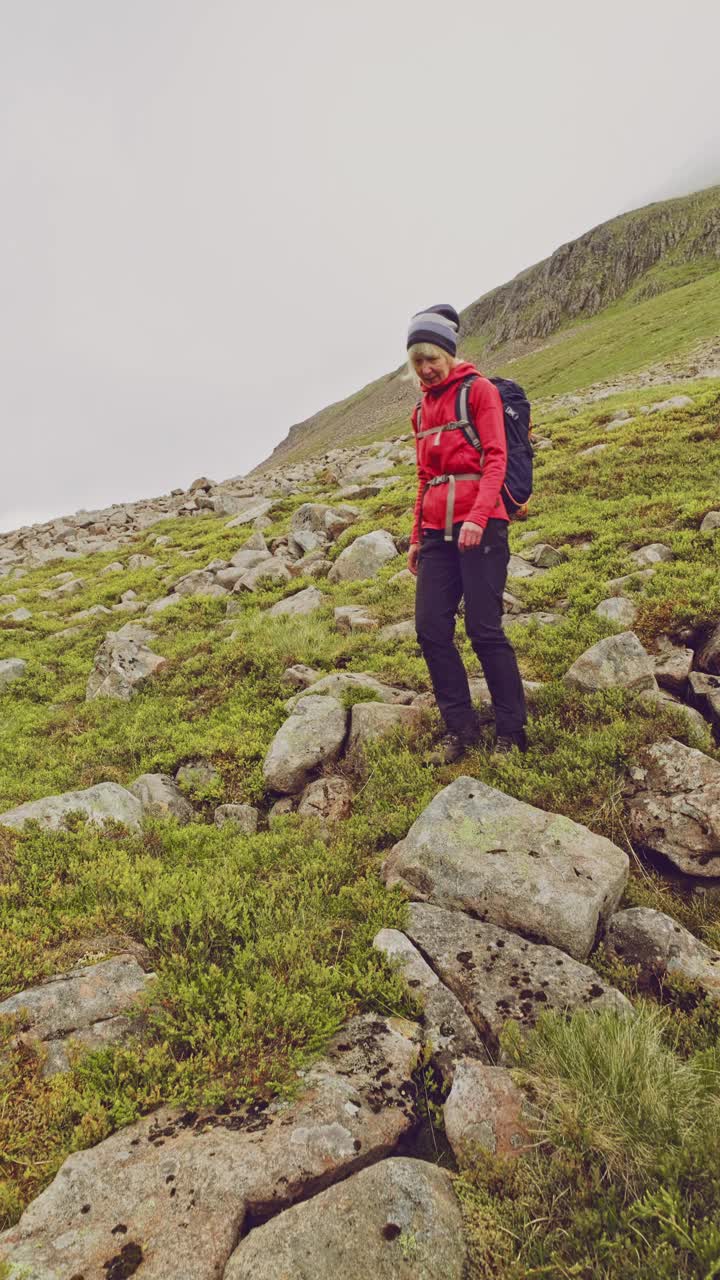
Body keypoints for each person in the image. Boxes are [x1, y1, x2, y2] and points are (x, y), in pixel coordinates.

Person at [406, 303, 527, 763]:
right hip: (437, 533)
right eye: (417, 360)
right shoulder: (420, 411)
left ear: (449, 353)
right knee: (430, 629)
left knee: (484, 630)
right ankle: (461, 730)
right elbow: (423, 477)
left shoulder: (478, 392)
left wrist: (477, 517)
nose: (426, 368)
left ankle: (511, 734)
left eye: (432, 357)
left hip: (483, 525)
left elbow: (495, 457)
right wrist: (417, 536)